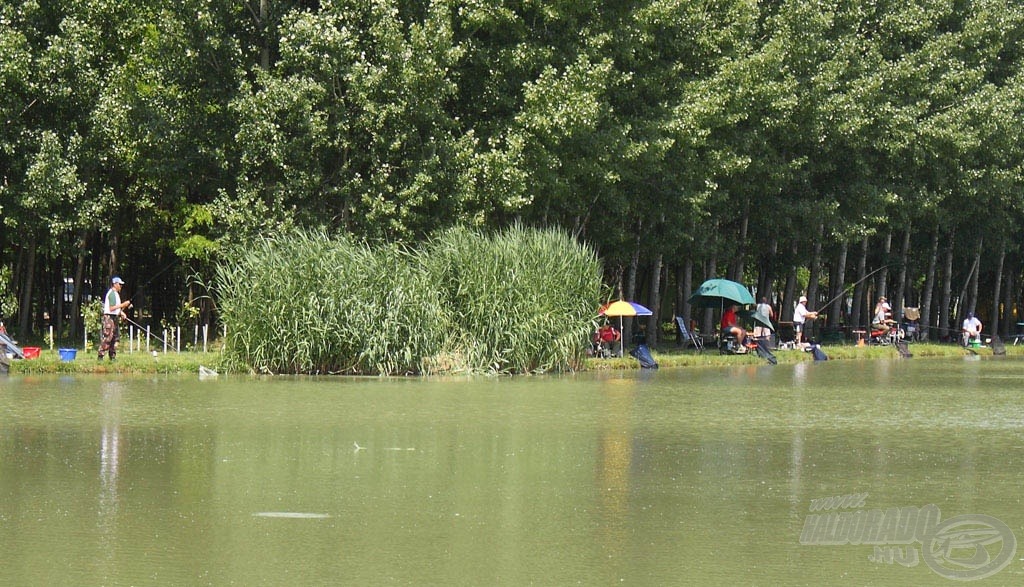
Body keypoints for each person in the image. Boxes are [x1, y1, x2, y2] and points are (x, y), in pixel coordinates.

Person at [98, 276, 131, 361]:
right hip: (109, 318)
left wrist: (122, 313)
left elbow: (116, 309)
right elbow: (112, 308)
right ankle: (100, 356)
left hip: (114, 317)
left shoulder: (116, 294)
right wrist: (124, 305)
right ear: (115, 284)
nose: (121, 286)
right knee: (108, 337)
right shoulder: (112, 293)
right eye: (120, 284)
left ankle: (112, 357)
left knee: (114, 338)